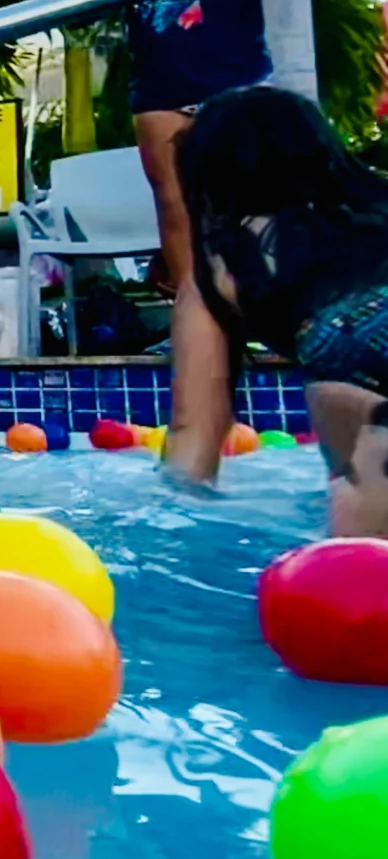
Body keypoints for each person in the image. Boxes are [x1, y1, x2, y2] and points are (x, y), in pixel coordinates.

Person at [36, 0, 331, 296]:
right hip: (161, 96)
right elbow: (79, 16)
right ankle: (198, 311)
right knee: (176, 208)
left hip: (236, 89)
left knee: (252, 205)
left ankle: (262, 307)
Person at [164, 87, 388, 534]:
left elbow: (192, 450)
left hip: (357, 370)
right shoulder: (377, 203)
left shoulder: (223, 262)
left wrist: (167, 520)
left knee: (360, 560)